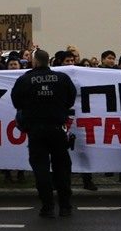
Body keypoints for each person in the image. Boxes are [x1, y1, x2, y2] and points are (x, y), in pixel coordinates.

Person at [11, 49, 78, 218]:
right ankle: (65, 206)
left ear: (34, 62)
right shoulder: (62, 79)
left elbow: (16, 101)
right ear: (48, 61)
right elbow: (71, 99)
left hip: (36, 131)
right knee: (62, 168)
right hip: (57, 129)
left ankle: (47, 207)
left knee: (41, 169)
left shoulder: (25, 79)